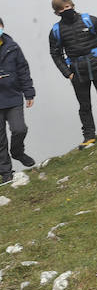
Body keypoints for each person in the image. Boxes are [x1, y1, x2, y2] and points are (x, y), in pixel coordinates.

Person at [48, 0, 97, 148]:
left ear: (72, 5)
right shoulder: (56, 31)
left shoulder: (92, 20)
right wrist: (68, 73)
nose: (66, 10)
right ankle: (89, 137)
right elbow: (55, 53)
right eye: (61, 9)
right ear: (57, 12)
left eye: (67, 7)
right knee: (84, 106)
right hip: (77, 72)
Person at [0, 16, 36, 183]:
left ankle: (17, 152)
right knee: (0, 140)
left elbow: (23, 70)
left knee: (19, 129)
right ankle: (6, 174)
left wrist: (29, 93)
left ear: (2, 27)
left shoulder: (12, 47)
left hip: (13, 97)